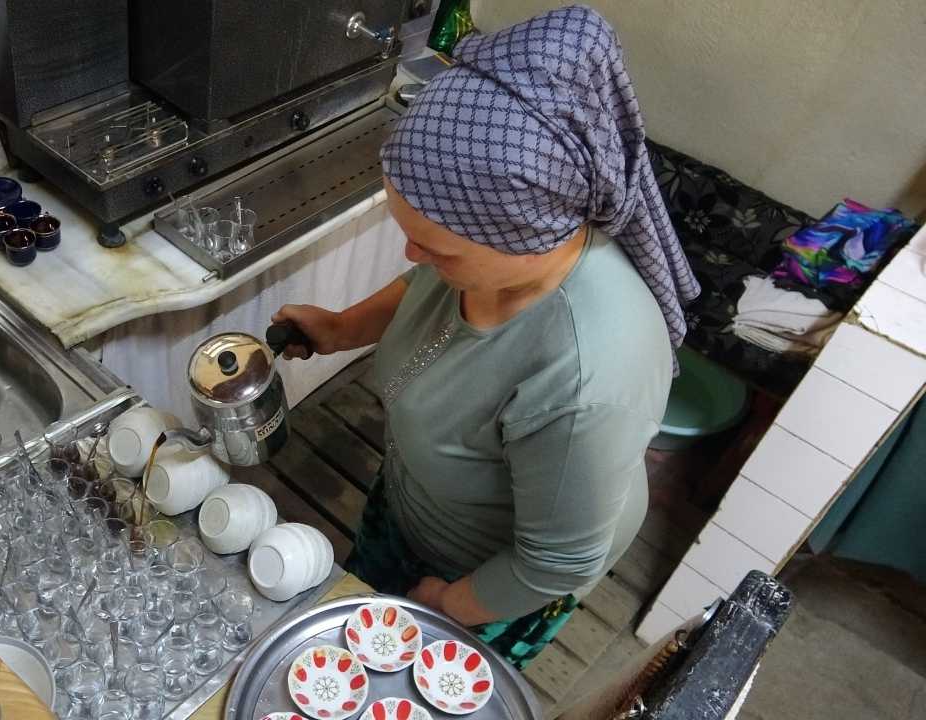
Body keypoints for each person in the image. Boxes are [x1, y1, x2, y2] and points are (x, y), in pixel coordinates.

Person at [272, 5, 700, 670]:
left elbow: (557, 558)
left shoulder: (586, 377)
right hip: (415, 503)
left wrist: (451, 604)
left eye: (436, 248)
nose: (412, 257)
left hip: (487, 579)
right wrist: (340, 329)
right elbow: (424, 288)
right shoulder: (486, 264)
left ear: (526, 238)